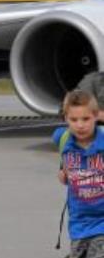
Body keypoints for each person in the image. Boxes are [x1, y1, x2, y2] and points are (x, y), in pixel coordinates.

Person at [54, 90, 104, 257]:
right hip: (79, 221)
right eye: (73, 120)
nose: (80, 125)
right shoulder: (63, 139)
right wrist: (63, 175)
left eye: (86, 119)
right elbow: (67, 173)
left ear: (96, 116)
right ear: (66, 118)